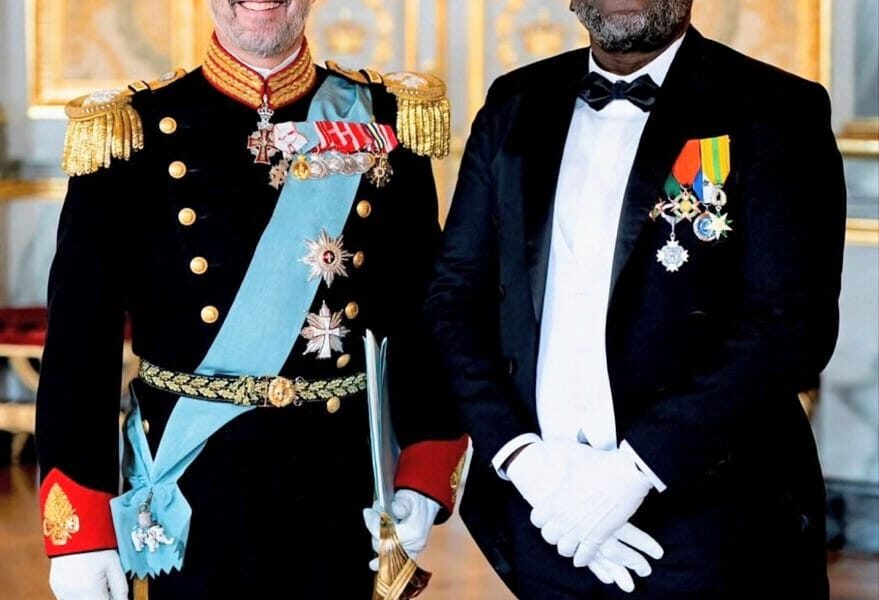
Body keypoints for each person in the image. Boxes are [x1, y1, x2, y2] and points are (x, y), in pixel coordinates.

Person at [36, 1, 467, 598]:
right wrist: (81, 531)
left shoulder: (385, 120)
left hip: (341, 501)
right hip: (192, 499)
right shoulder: (130, 132)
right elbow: (80, 345)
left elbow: (422, 315)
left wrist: (423, 466)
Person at [425, 0, 845, 598]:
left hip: (711, 524)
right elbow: (454, 295)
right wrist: (523, 460)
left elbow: (791, 325)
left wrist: (635, 471)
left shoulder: (776, 108)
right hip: (543, 517)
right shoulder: (515, 102)